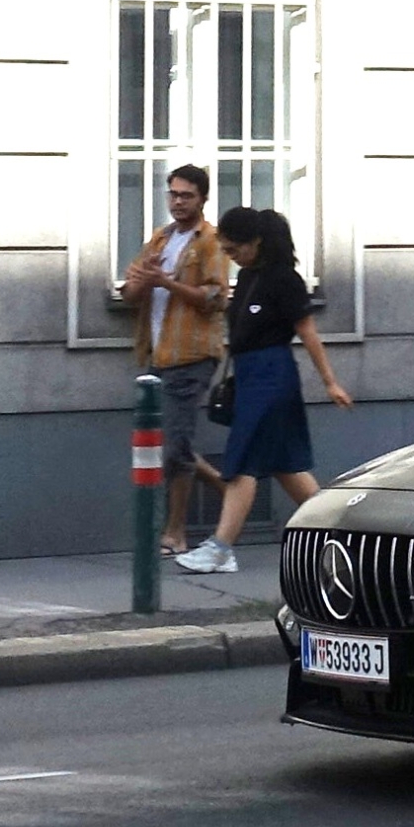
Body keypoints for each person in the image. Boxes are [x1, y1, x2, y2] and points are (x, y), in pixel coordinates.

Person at [175, 207, 353, 574]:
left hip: (272, 376)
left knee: (243, 461)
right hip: (252, 375)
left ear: (255, 242)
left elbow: (307, 332)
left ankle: (220, 548)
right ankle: (341, 538)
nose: (230, 257)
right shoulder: (251, 277)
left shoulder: (283, 280)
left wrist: (330, 382)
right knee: (285, 466)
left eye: (234, 250)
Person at [120, 164, 229, 557]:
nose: (178, 202)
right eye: (173, 194)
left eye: (186, 195)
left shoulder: (211, 241)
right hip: (157, 351)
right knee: (169, 444)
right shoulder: (160, 239)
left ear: (202, 198)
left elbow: (217, 298)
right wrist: (143, 281)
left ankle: (176, 533)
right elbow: (131, 293)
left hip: (192, 353)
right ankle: (229, 490)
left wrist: (168, 283)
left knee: (175, 446)